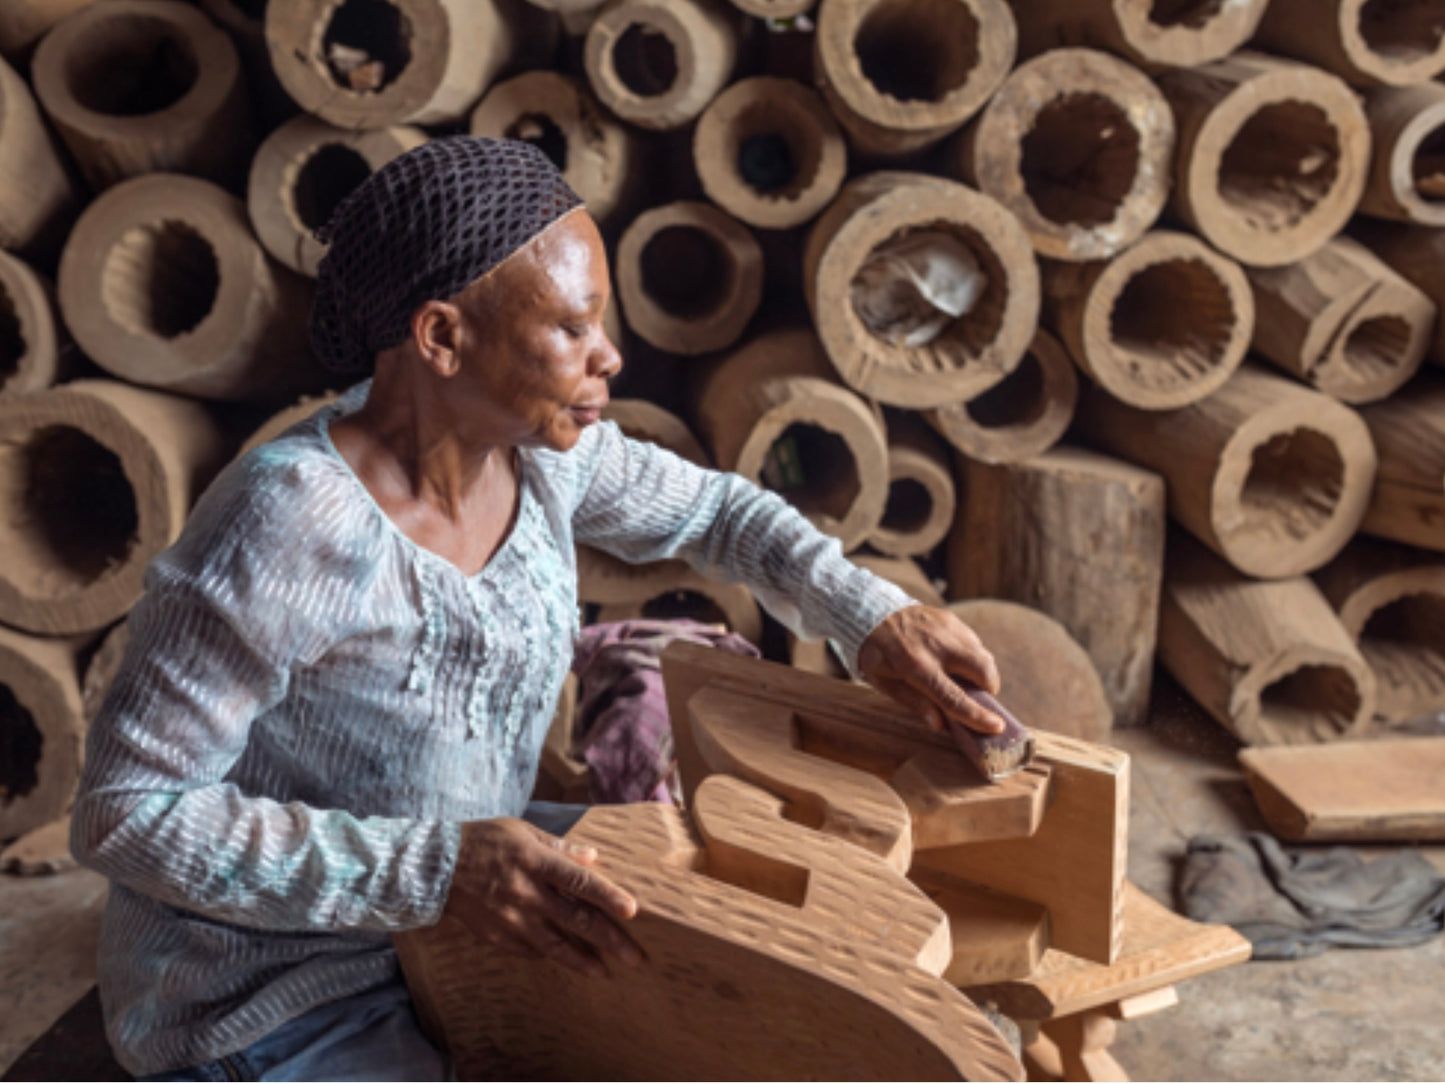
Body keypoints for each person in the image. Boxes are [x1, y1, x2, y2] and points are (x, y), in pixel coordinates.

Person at [71, 137, 1004, 1081]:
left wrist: (871, 615)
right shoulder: (287, 519)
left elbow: (720, 511)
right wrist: (438, 871)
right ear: (441, 337)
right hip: (277, 991)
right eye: (573, 326)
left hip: (469, 913)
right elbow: (126, 812)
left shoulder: (546, 456)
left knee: (769, 963)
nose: (610, 355)